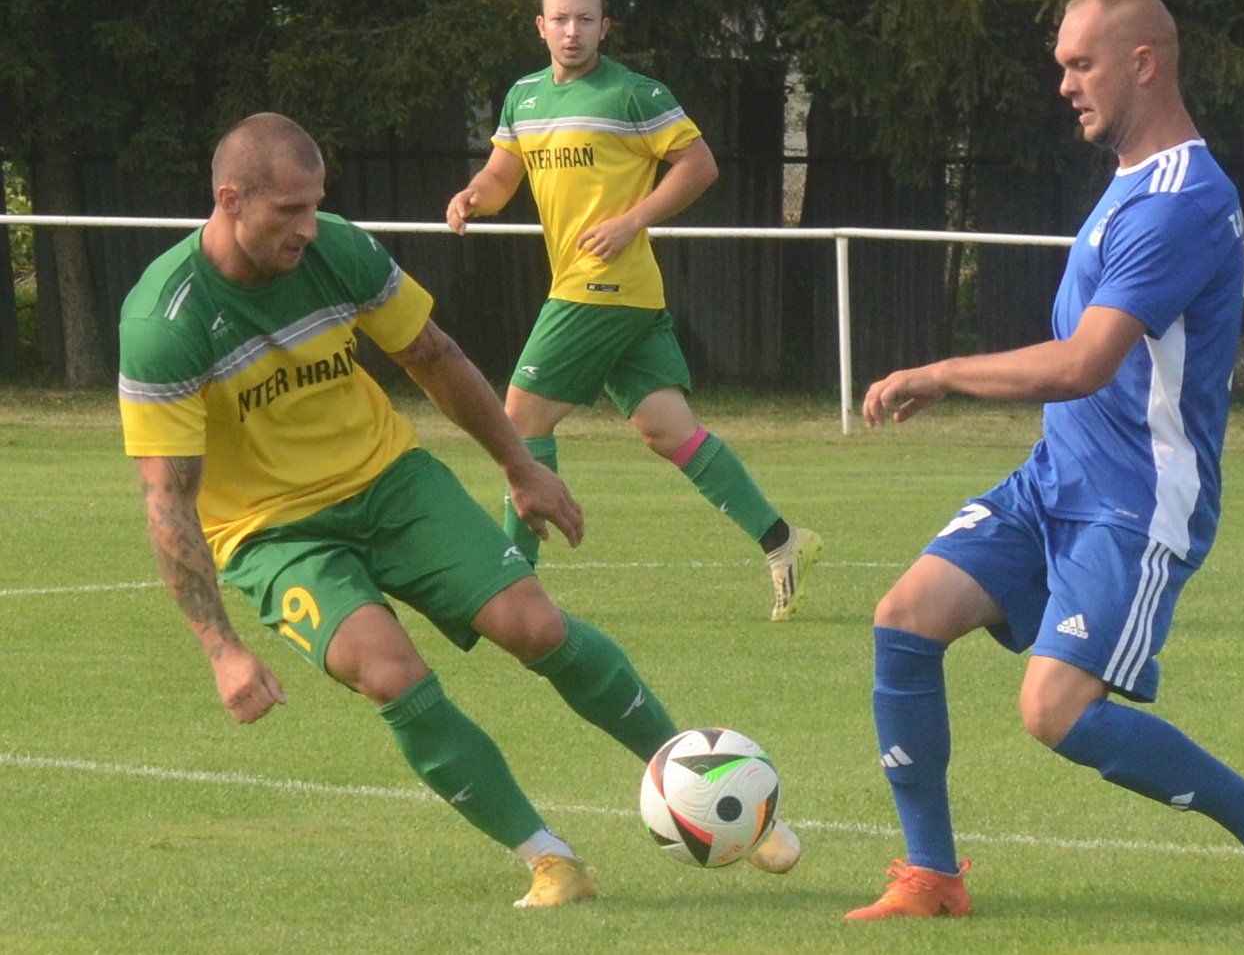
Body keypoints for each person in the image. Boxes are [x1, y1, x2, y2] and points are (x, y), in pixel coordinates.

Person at [118, 112, 799, 911]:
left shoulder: (338, 249)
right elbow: (168, 501)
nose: (308, 227)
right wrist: (222, 650)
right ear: (231, 199)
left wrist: (520, 467)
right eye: (289, 210)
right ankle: (551, 859)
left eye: (316, 205)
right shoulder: (165, 322)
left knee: (536, 626)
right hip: (273, 534)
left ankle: (712, 788)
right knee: (390, 673)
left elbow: (432, 355)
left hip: (391, 483)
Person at [848, 0, 1244, 926]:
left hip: (1134, 502)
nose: (1065, 85)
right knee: (905, 619)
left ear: (1142, 63)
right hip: (1054, 480)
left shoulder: (1182, 201)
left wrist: (942, 371)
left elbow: (1083, 363)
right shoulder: (1132, 184)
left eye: (1081, 65)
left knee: (1054, 710)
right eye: (1062, 66)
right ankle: (931, 876)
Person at [446, 0, 820, 622]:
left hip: (603, 285)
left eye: (585, 19)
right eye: (561, 19)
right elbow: (503, 176)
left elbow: (699, 164)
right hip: (617, 295)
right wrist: (474, 195)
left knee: (521, 417)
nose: (572, 31)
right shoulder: (524, 98)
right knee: (667, 430)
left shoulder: (633, 94)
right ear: (541, 27)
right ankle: (783, 541)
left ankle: (513, 588)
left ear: (605, 27)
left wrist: (631, 220)